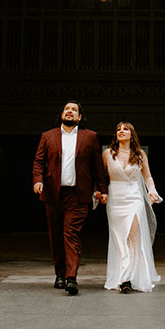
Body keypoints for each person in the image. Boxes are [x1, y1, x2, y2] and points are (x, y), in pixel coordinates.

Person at [32, 101, 109, 295]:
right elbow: (39, 161)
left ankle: (71, 277)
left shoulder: (90, 137)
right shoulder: (48, 136)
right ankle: (60, 274)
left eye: (74, 110)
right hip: (53, 194)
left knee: (71, 235)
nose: (70, 112)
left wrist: (103, 189)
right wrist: (38, 180)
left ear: (79, 117)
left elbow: (97, 165)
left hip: (77, 195)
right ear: (62, 114)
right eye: (67, 109)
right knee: (56, 236)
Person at [103, 121, 162, 293]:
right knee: (119, 238)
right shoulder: (108, 154)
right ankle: (121, 274)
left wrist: (152, 191)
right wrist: (98, 193)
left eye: (125, 129)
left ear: (131, 134)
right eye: (118, 129)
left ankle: (127, 278)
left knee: (133, 236)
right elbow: (101, 177)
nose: (121, 131)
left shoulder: (140, 154)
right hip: (116, 199)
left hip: (134, 198)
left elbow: (148, 177)